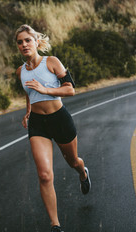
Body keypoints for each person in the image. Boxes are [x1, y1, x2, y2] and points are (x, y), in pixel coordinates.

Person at [15, 24, 91, 232]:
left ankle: (82, 173)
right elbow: (29, 93)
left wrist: (45, 89)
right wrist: (29, 110)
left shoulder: (52, 62)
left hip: (59, 119)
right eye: (20, 42)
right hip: (38, 124)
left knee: (72, 161)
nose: (24, 45)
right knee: (45, 175)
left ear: (36, 41)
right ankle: (55, 224)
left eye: (27, 40)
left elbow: (70, 89)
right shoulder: (20, 71)